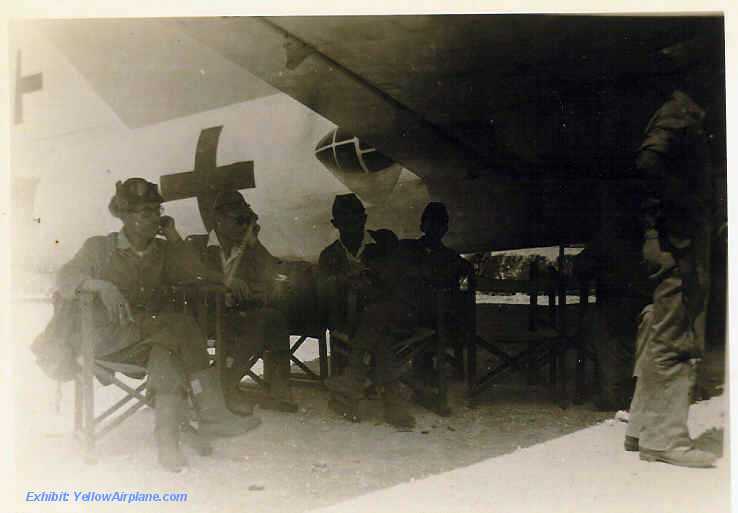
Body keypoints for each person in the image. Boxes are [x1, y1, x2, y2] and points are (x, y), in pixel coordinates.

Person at [56, 178, 259, 472]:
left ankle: (167, 439)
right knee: (181, 327)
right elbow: (64, 278)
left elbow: (195, 273)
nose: (155, 218)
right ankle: (212, 413)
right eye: (145, 212)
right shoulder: (100, 247)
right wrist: (99, 285)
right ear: (124, 216)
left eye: (157, 210)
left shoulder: (162, 251)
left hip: (148, 337)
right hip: (106, 338)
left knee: (166, 353)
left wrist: (174, 236)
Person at [625, 49, 718, 467]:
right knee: (675, 335)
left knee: (659, 327)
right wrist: (680, 214)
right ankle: (666, 440)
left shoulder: (678, 112)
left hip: (671, 240)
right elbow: (649, 164)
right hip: (679, 243)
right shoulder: (682, 114)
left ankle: (642, 427)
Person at [318, 193, 417, 428]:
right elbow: (322, 294)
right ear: (335, 224)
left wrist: (369, 274)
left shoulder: (384, 241)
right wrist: (345, 281)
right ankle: (393, 402)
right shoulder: (329, 255)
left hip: (396, 313)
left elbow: (401, 276)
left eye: (357, 219)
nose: (353, 226)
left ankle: (352, 380)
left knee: (377, 313)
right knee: (378, 328)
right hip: (354, 321)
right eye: (345, 221)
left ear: (365, 218)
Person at [198, 190, 300, 414]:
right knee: (257, 324)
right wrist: (225, 283)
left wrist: (254, 242)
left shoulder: (246, 248)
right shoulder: (199, 246)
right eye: (239, 220)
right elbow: (192, 276)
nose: (244, 226)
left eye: (247, 220)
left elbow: (272, 272)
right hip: (206, 317)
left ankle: (278, 389)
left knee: (273, 319)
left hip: (237, 314)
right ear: (219, 220)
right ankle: (225, 386)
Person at [574, 190, 654, 411]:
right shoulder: (653, 238)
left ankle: (611, 393)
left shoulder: (607, 238)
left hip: (615, 308)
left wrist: (603, 273)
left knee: (599, 328)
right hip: (645, 307)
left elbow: (580, 269)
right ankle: (627, 394)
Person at [399, 202, 474, 381]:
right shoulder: (409, 249)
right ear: (422, 225)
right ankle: (424, 366)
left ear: (445, 228)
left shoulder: (450, 255)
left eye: (439, 224)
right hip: (414, 313)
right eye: (431, 223)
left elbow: (468, 271)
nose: (435, 228)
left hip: (440, 315)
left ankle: (425, 366)